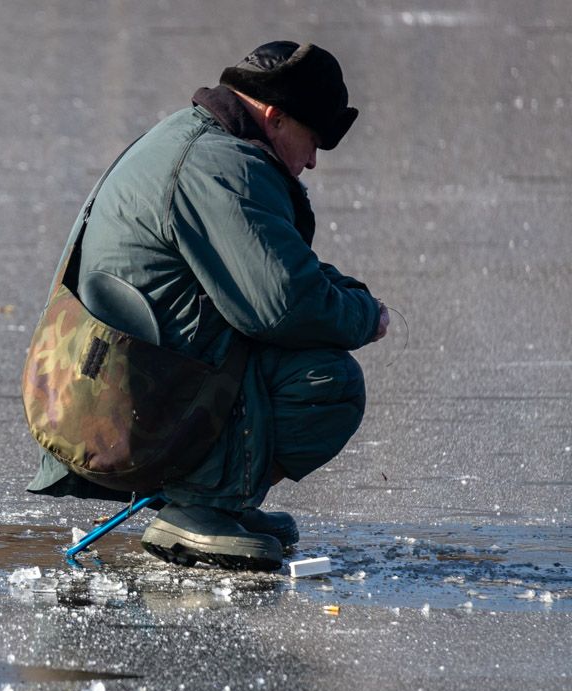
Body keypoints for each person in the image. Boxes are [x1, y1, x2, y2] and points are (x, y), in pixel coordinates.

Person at [27, 41, 390, 571]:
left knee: (279, 350)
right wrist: (364, 315)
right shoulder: (222, 166)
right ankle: (201, 504)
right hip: (113, 408)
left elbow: (271, 270)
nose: (312, 160)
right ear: (274, 116)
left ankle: (220, 496)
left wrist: (345, 295)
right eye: (312, 141)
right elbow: (281, 306)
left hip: (99, 386)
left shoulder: (195, 141)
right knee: (327, 384)